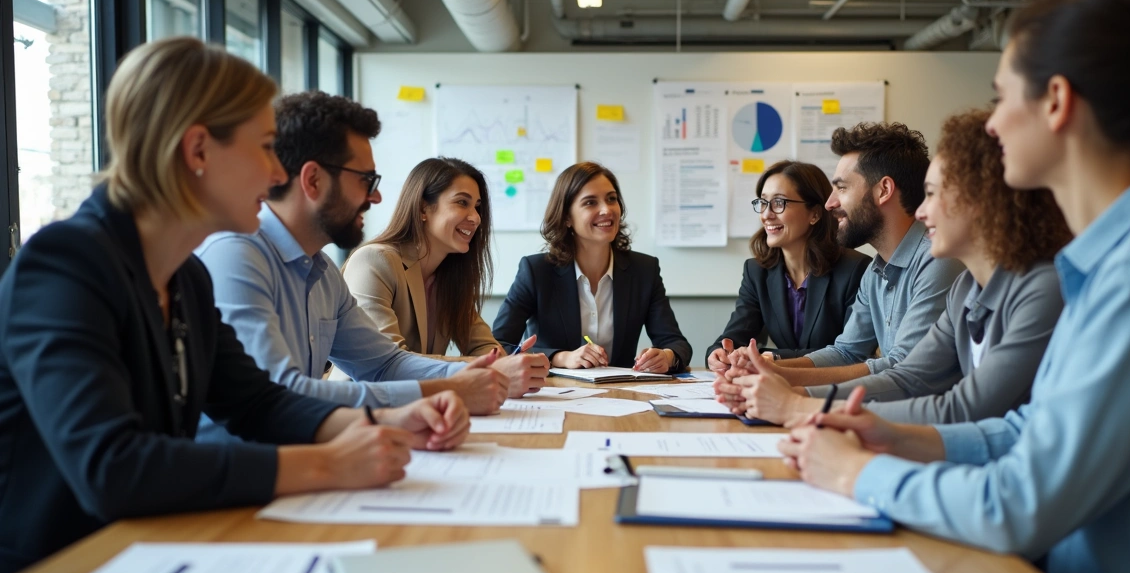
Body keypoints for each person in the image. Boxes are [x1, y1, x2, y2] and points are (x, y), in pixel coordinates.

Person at [777, 0, 1130, 573]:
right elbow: (1029, 431)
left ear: (1056, 101)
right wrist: (893, 436)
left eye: (1002, 95)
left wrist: (858, 473)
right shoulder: (1112, 261)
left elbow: (1021, 503)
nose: (992, 122)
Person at [0, 38, 470, 573]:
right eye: (265, 148)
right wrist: (326, 463)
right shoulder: (66, 265)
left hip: (150, 551)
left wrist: (384, 420)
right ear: (198, 151)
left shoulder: (186, 276)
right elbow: (114, 468)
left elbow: (257, 403)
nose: (275, 173)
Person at [195, 92, 514, 444]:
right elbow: (280, 393)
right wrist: (444, 389)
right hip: (250, 470)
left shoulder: (324, 272)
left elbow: (384, 364)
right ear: (313, 180)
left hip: (305, 455)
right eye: (366, 180)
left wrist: (465, 377)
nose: (376, 197)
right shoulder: (236, 256)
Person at [732, 109, 1071, 425]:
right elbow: (906, 376)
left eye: (933, 194)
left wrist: (797, 403)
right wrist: (781, 381)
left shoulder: (1034, 288)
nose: (921, 211)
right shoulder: (963, 288)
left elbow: (955, 404)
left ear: (981, 201)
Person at [715, 122, 964, 397]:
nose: (829, 203)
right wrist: (768, 367)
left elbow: (902, 368)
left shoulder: (937, 261)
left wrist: (787, 384)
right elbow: (846, 352)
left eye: (842, 188)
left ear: (883, 190)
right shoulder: (876, 270)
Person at [343, 157, 549, 395]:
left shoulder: (449, 276)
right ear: (423, 209)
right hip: (360, 405)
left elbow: (484, 346)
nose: (476, 218)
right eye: (462, 202)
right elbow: (388, 364)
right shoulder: (374, 262)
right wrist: (491, 368)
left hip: (422, 405)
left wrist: (508, 363)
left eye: (477, 207)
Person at [492, 162, 692, 372]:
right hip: (553, 389)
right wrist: (561, 357)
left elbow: (676, 343)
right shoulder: (536, 271)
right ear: (567, 217)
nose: (606, 210)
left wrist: (666, 357)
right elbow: (499, 346)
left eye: (611, 199)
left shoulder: (644, 270)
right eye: (590, 202)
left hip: (620, 390)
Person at [705, 161, 870, 370]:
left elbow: (851, 354)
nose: (766, 214)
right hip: (780, 384)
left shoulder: (855, 269)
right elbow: (735, 336)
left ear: (815, 214)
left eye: (779, 202)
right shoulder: (757, 272)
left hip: (834, 385)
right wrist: (719, 353)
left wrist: (772, 357)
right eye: (763, 202)